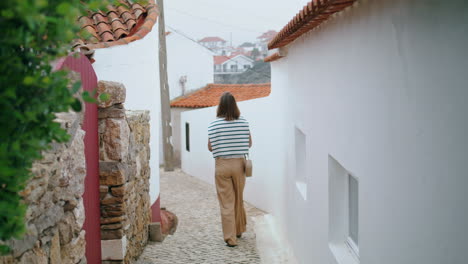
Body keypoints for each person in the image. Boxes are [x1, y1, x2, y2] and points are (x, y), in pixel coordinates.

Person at [207, 92, 252, 247]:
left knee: (227, 202)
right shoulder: (244, 122)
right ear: (235, 105)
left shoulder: (213, 125)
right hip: (239, 165)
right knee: (238, 198)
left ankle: (230, 238)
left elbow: (210, 147)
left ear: (220, 106)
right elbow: (249, 143)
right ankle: (239, 230)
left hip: (222, 166)